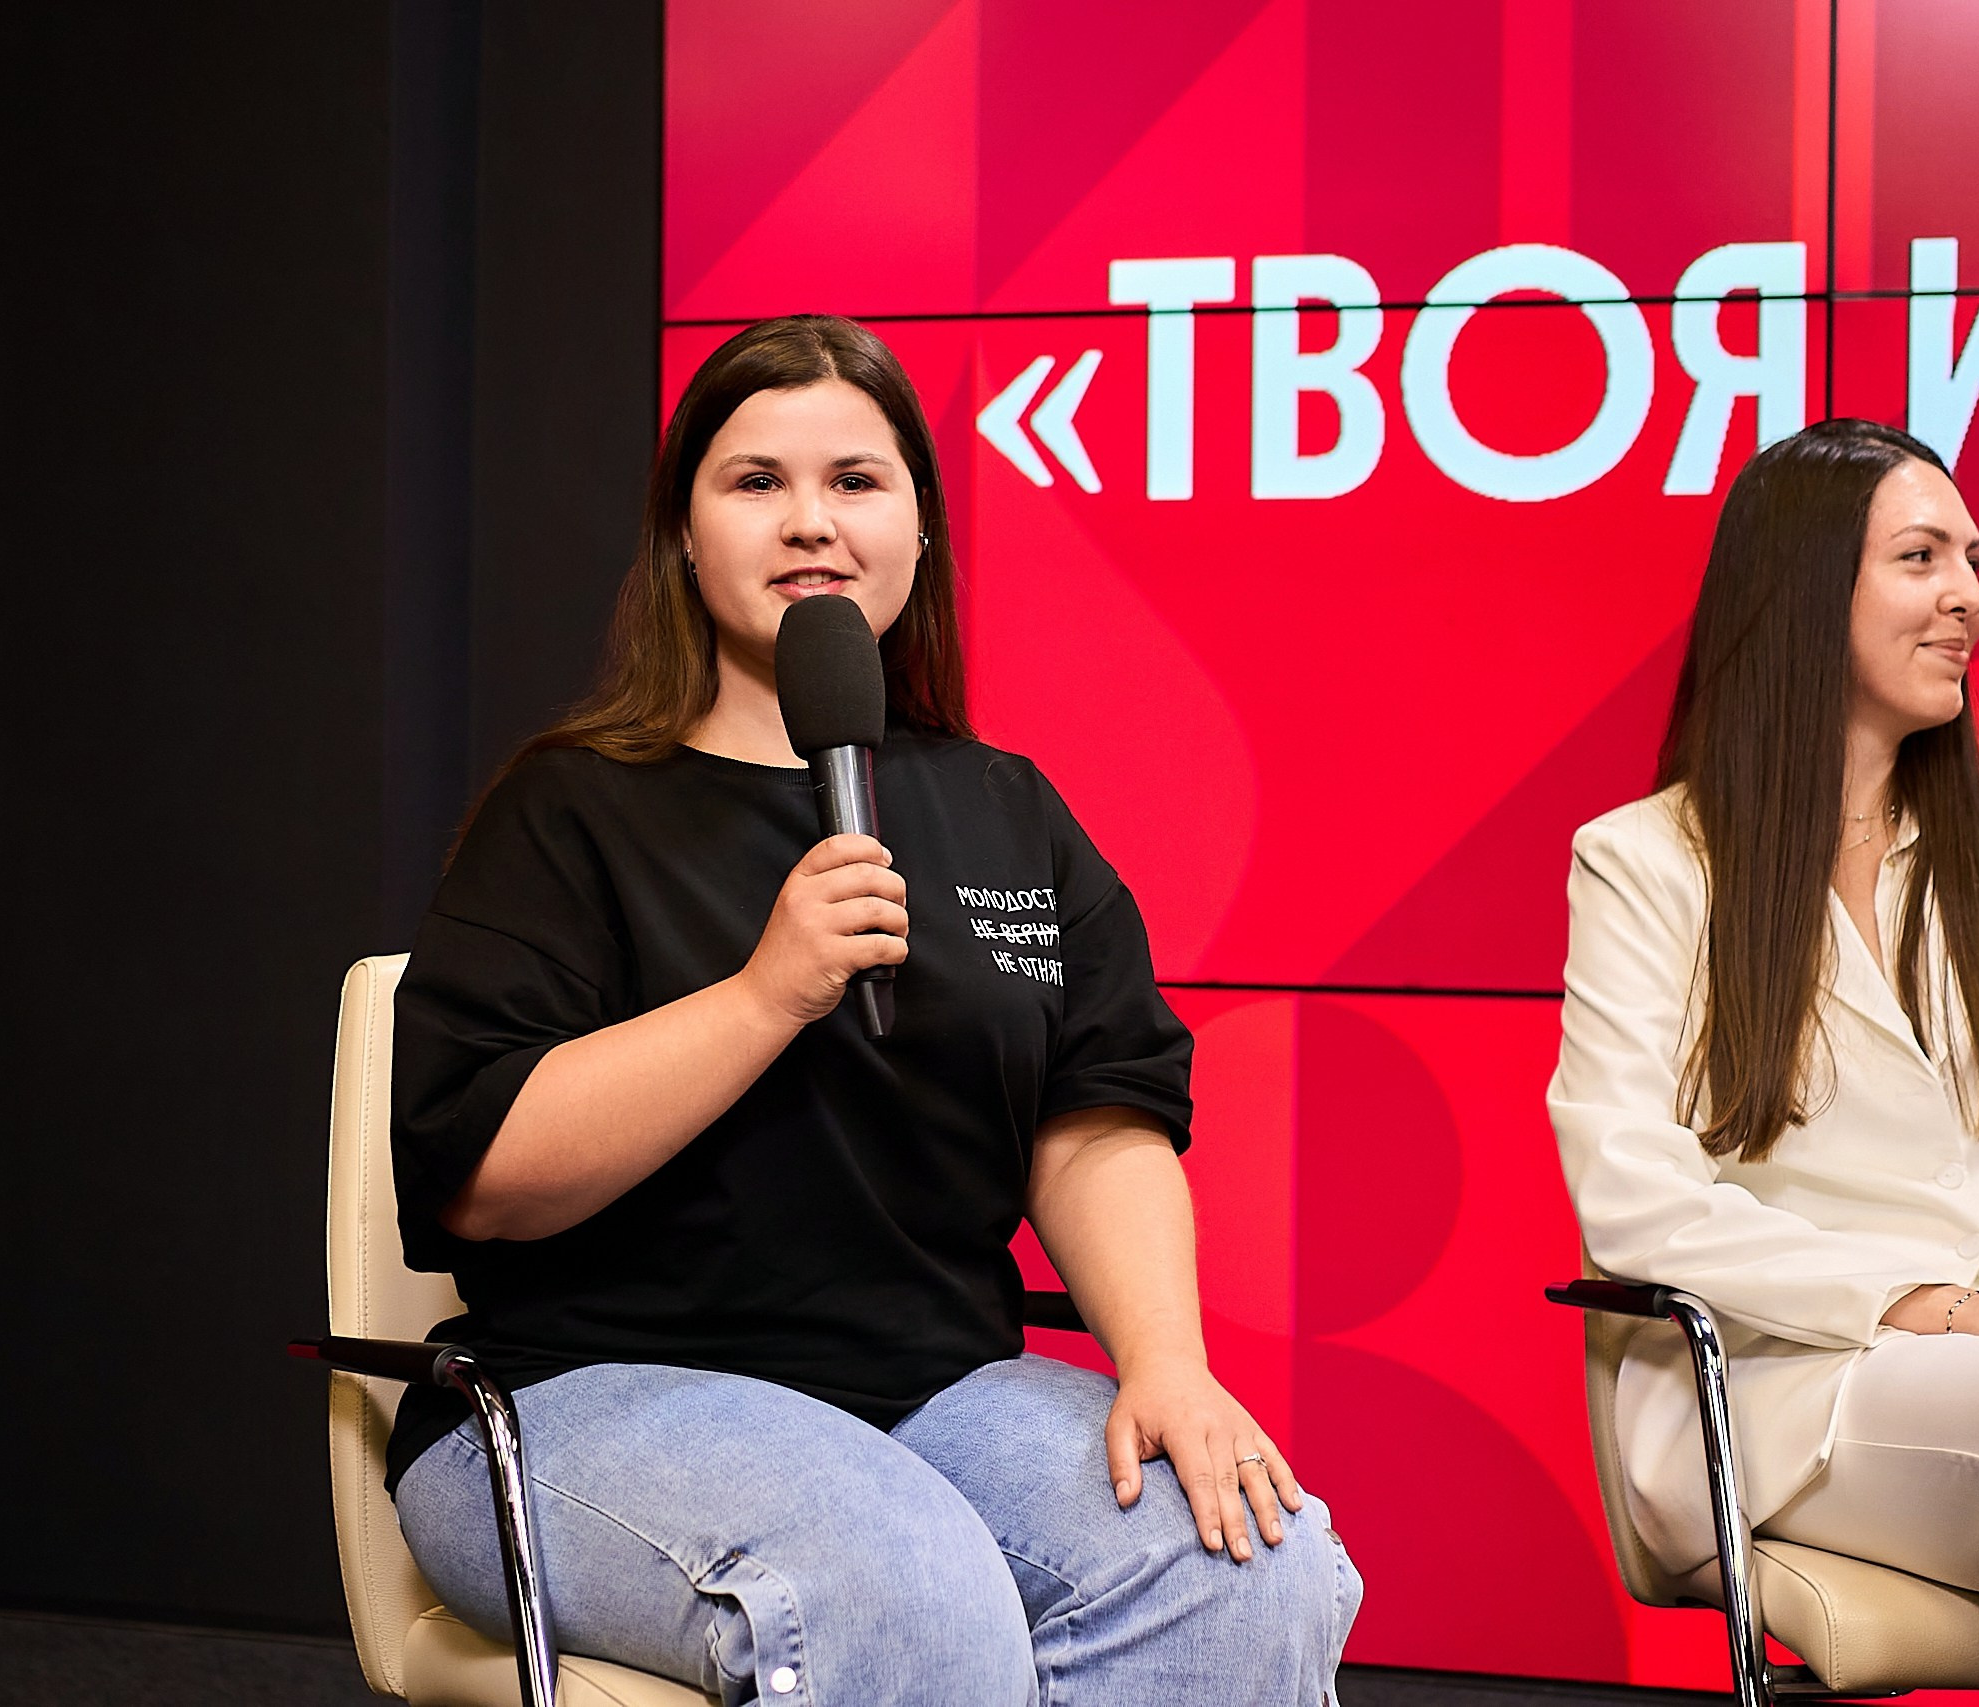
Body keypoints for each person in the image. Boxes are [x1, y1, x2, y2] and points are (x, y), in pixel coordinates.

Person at [386, 315, 1358, 1706]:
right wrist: (765, 991)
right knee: (895, 1580)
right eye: (755, 480)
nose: (810, 522)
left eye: (856, 480)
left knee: (1240, 1561)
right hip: (581, 1396)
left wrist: (1167, 1365)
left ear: (917, 532)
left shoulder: (1007, 808)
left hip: (931, 1392)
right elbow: (485, 1179)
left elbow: (1098, 1119)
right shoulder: (572, 808)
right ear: (683, 535)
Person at [1551, 418, 1979, 1705]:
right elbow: (1638, 1200)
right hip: (1810, 1388)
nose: (1969, 596)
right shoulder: (1645, 863)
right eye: (1920, 556)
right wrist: (1940, 1304)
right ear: (1800, 590)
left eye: (1973, 557)